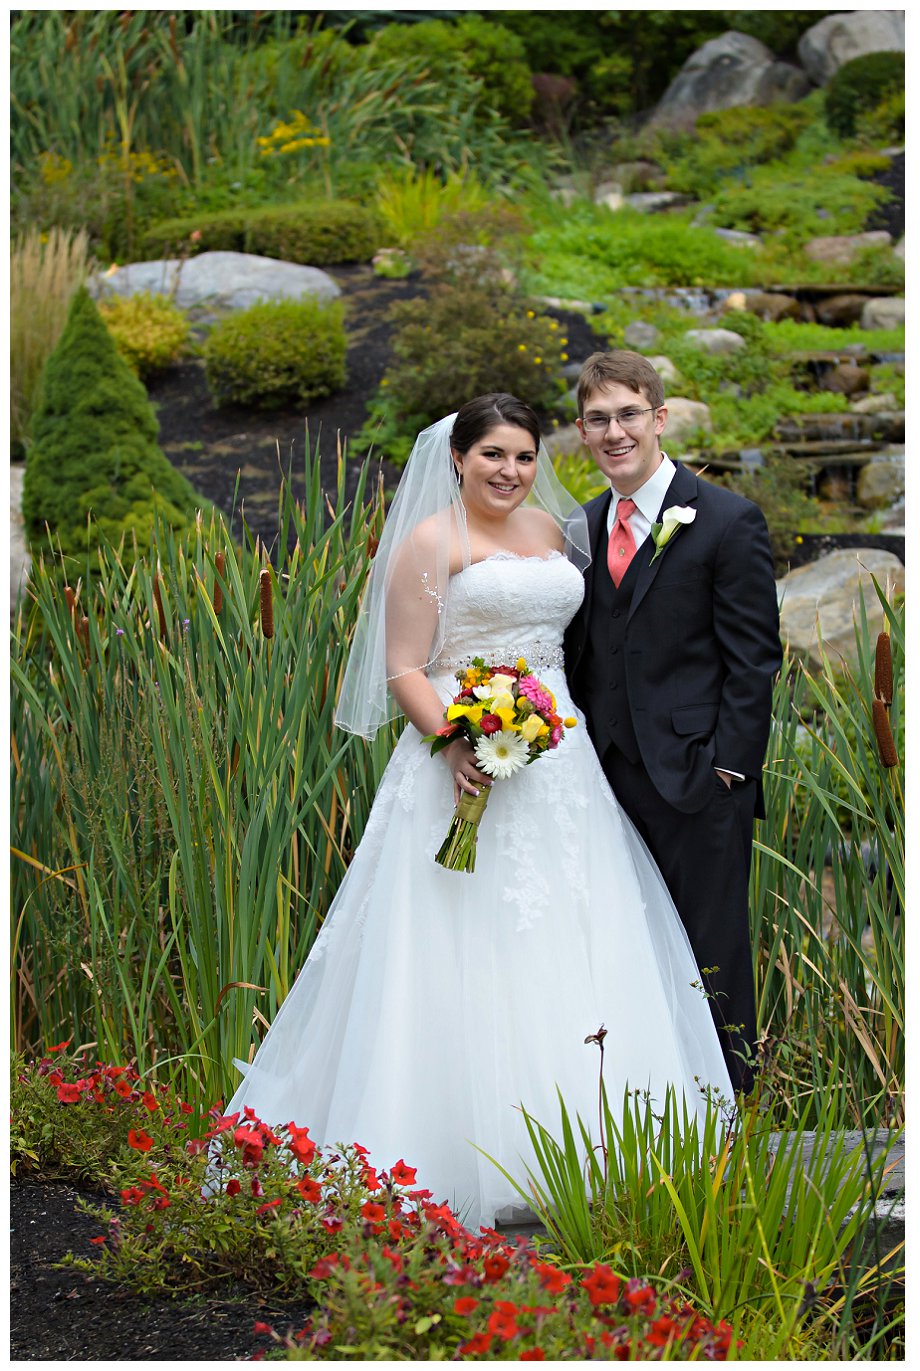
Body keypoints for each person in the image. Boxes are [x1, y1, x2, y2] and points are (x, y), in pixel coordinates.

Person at [227, 393, 732, 1226]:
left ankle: (599, 1142)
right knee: (459, 937)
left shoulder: (551, 534)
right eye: (493, 455)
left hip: (559, 765)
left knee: (575, 925)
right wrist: (456, 743)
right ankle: (452, 1147)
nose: (510, 471)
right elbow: (403, 667)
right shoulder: (432, 540)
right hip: (462, 764)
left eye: (525, 456)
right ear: (458, 458)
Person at [561, 352, 782, 1094]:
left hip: (697, 777)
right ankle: (644, 1104)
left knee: (711, 950)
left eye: (628, 414)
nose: (613, 431)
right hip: (602, 781)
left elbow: (754, 660)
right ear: (583, 433)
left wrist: (730, 768)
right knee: (623, 947)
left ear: (659, 418)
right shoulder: (582, 528)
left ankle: (733, 1111)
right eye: (598, 419)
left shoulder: (724, 519)